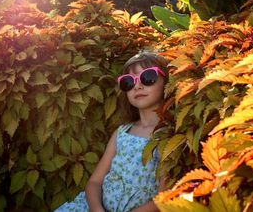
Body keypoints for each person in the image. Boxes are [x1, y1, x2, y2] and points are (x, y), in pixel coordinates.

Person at [54, 51, 169, 212]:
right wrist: (96, 209)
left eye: (148, 77)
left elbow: (164, 198)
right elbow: (95, 182)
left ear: (167, 82)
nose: (137, 85)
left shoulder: (169, 137)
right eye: (128, 82)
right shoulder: (122, 133)